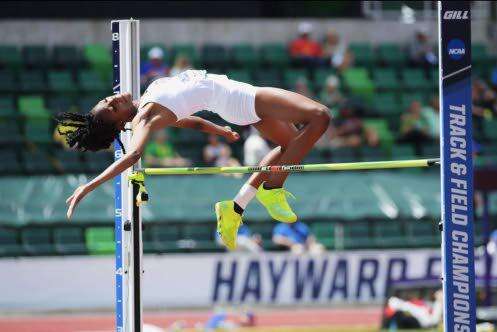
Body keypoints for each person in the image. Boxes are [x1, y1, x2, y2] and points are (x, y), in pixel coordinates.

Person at [56, 69, 331, 252]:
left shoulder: (147, 103)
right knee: (320, 116)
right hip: (240, 98)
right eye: (113, 107)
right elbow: (135, 154)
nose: (115, 99)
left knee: (290, 145)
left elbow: (187, 121)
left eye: (108, 99)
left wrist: (218, 130)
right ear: (118, 124)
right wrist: (88, 186)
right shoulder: (144, 118)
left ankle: (234, 208)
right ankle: (272, 189)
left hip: (233, 101)